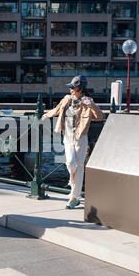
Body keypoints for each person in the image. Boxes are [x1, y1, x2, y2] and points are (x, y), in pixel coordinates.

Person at [42, 75, 104, 209]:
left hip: (81, 138)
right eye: (70, 87)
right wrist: (45, 115)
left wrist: (91, 104)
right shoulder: (67, 99)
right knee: (70, 163)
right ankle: (73, 185)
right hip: (68, 137)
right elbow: (57, 110)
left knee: (79, 165)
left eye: (73, 87)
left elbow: (100, 117)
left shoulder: (87, 102)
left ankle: (74, 197)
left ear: (80, 88)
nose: (70, 89)